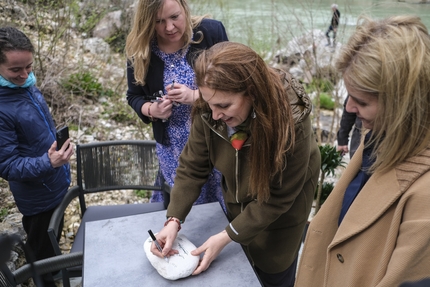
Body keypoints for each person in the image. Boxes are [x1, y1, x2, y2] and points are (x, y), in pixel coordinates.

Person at [150, 41, 321, 287]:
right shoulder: (210, 106)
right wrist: (174, 219)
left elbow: (278, 198)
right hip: (238, 204)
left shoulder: (290, 125)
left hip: (281, 218)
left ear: (252, 92)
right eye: (209, 104)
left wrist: (226, 236)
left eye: (224, 106)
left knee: (273, 272)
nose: (215, 115)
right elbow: (192, 166)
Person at [295, 15, 430, 286]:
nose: (348, 109)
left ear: (403, 103)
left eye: (361, 102)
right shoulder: (382, 134)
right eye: (349, 97)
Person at [125, 0, 228, 207]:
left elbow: (234, 85)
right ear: (147, 22)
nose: (169, 28)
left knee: (222, 203)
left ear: (185, 7)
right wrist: (152, 110)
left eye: (175, 17)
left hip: (216, 139)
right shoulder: (140, 49)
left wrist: (195, 96)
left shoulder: (210, 32)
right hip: (173, 149)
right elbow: (134, 96)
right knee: (184, 206)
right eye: (159, 21)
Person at [0, 26, 74, 287]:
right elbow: (7, 165)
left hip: (54, 182)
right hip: (37, 196)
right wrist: (48, 162)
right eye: (16, 70)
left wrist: (58, 153)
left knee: (52, 240)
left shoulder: (26, 86)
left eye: (29, 67)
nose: (24, 74)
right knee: (41, 253)